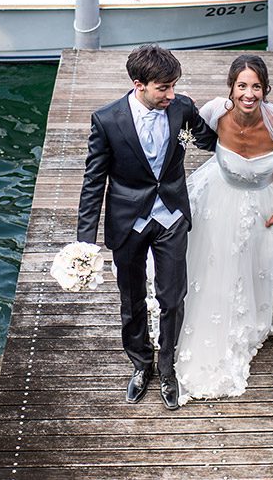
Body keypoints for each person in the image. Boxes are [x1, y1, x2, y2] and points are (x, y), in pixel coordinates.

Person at [75, 44, 216, 410]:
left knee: (172, 298)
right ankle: (141, 364)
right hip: (128, 221)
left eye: (174, 87)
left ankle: (167, 368)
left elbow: (209, 141)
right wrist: (83, 243)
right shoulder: (106, 120)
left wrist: (237, 112)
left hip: (170, 216)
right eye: (163, 88)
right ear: (139, 84)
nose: (171, 94)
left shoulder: (180, 107)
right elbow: (93, 181)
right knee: (132, 299)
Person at [173, 54, 273, 404]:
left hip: (265, 198)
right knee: (220, 262)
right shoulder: (215, 113)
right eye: (242, 86)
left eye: (256, 87)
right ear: (231, 89)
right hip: (222, 192)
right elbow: (188, 138)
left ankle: (261, 314)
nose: (249, 93)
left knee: (262, 261)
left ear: (265, 90)